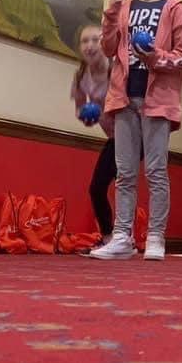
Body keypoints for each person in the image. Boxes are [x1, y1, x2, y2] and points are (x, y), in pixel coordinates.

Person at [90, 0, 182, 262]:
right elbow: (108, 49)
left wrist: (155, 57)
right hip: (124, 98)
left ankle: (155, 237)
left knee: (156, 170)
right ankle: (122, 236)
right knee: (124, 173)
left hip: (157, 102)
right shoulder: (126, 7)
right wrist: (109, 17)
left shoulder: (176, 8)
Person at [70, 24, 115, 245]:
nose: (89, 46)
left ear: (105, 43)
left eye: (95, 40)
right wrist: (87, 117)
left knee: (127, 184)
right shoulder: (80, 75)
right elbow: (79, 108)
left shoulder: (116, 70)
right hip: (114, 138)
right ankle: (109, 238)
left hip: (135, 135)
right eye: (84, 41)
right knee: (97, 188)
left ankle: (124, 239)